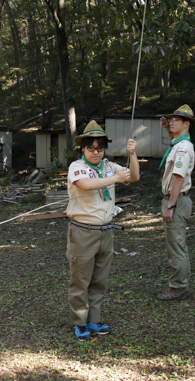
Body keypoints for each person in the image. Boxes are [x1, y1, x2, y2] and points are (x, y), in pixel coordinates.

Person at [66, 120, 140, 341]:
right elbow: (86, 185)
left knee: (99, 280)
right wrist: (116, 178)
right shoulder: (77, 166)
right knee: (81, 280)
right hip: (83, 231)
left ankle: (93, 320)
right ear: (83, 148)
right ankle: (79, 323)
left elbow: (133, 177)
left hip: (106, 232)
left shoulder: (109, 166)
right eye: (91, 148)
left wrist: (133, 155)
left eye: (99, 148)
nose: (96, 152)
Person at [157, 104, 195, 300]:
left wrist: (170, 206)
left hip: (177, 201)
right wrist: (167, 129)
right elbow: (174, 141)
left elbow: (179, 179)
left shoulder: (183, 148)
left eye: (175, 120)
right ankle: (179, 285)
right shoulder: (180, 143)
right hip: (175, 200)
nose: (171, 122)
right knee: (175, 245)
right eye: (170, 119)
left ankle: (179, 287)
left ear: (186, 124)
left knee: (176, 247)